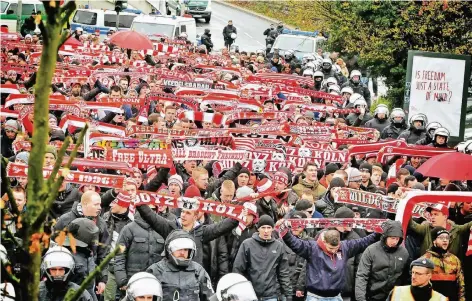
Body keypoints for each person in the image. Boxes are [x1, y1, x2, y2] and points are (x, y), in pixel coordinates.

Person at [278, 221, 380, 301]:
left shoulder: (345, 247)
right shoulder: (312, 248)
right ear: (324, 242)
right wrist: (285, 232)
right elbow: (294, 243)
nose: (334, 251)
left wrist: (378, 232)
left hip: (336, 296)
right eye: (330, 248)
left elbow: (363, 242)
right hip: (315, 297)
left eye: (336, 248)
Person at [232, 215, 292, 301]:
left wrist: (288, 294)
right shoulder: (247, 244)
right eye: (263, 227)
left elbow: (283, 273)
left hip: (271, 295)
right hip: (250, 294)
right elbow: (238, 269)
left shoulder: (278, 246)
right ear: (258, 228)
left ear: (273, 228)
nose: (266, 231)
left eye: (269, 227)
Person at [146, 230, 214, 301]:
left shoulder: (199, 271)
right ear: (169, 249)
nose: (182, 252)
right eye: (178, 249)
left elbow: (209, 297)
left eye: (185, 249)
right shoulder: (155, 271)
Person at [355, 220, 410, 301]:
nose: (395, 241)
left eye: (397, 239)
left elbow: (407, 277)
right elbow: (362, 276)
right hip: (374, 296)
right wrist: (361, 299)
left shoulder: (404, 252)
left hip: (395, 296)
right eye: (392, 238)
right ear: (385, 236)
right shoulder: (371, 251)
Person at [420, 227, 465, 301]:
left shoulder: (455, 260)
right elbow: (419, 286)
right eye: (441, 238)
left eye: (447, 238)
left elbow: (461, 285)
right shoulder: (425, 260)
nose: (445, 240)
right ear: (434, 241)